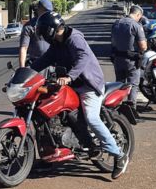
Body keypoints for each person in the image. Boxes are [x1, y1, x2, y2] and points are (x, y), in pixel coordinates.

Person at [31, 12, 129, 180]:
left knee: (91, 118)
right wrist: (27, 72)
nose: (42, 35)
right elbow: (45, 59)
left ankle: (119, 155)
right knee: (47, 112)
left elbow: (82, 58)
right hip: (71, 86)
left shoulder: (74, 38)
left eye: (42, 31)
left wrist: (69, 76)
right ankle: (49, 156)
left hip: (88, 85)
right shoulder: (56, 43)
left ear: (50, 30)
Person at [111, 5, 147, 118]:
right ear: (138, 15)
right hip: (131, 60)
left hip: (118, 59)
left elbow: (113, 42)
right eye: (139, 17)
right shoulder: (136, 25)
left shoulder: (116, 23)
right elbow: (143, 46)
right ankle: (131, 113)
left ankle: (117, 111)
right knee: (133, 85)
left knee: (119, 85)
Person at [18, 0, 51, 67]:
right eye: (45, 10)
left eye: (48, 11)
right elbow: (24, 48)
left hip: (53, 62)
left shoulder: (52, 23)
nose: (47, 13)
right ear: (38, 9)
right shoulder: (29, 27)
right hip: (36, 63)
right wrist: (22, 68)